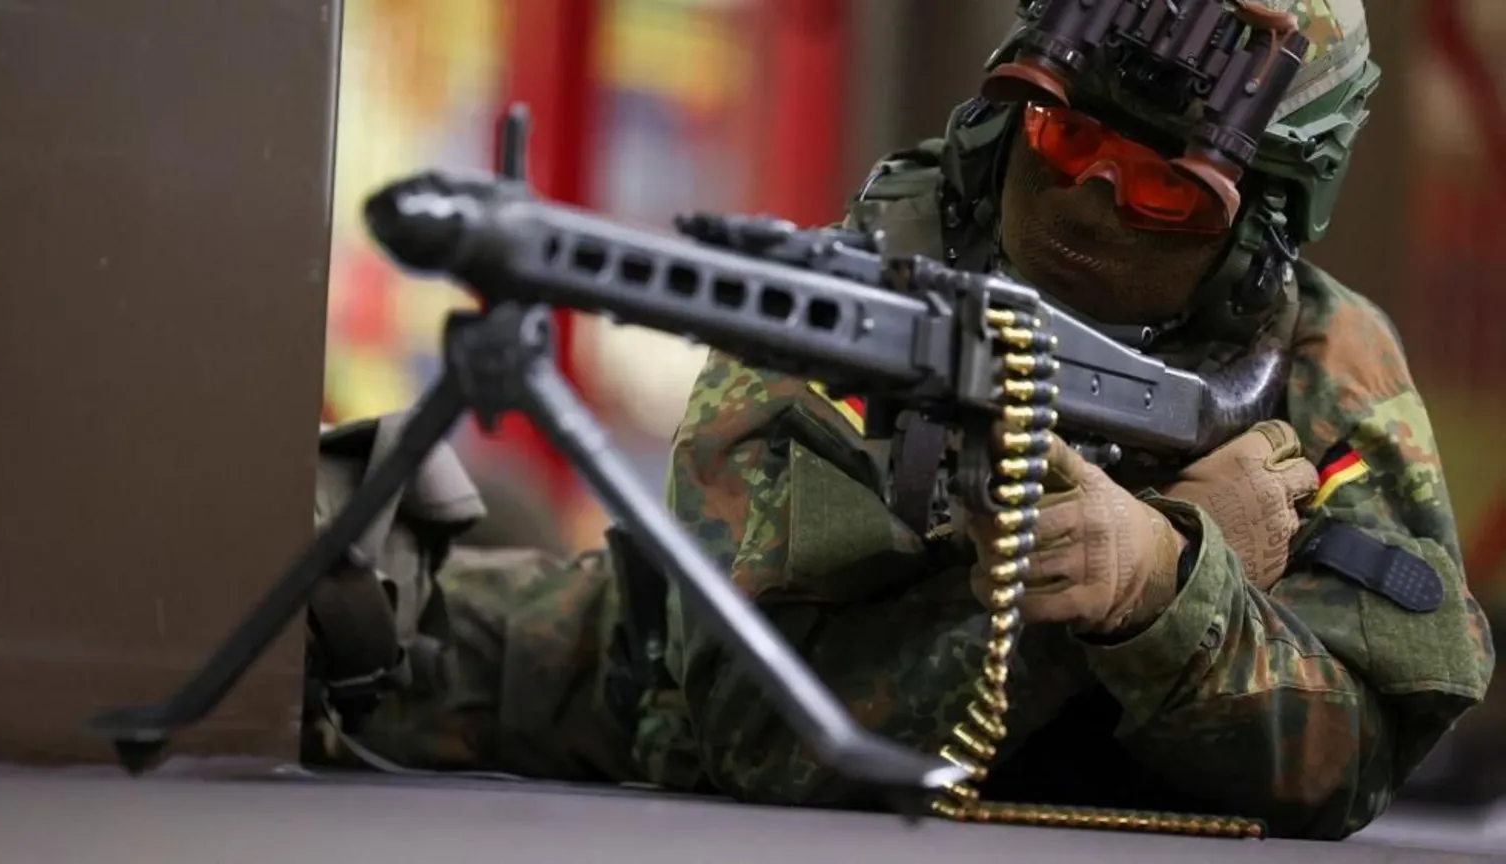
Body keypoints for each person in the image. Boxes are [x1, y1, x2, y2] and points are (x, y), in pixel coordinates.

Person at [304, 0, 1495, 842]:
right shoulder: (859, 302)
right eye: (1066, 133)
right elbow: (764, 740)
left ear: (1266, 223)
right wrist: (1097, 599)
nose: (1090, 197)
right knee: (339, 623)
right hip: (628, 703)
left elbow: (1357, 764)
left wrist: (1161, 585)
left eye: (1162, 190)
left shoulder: (1321, 360)